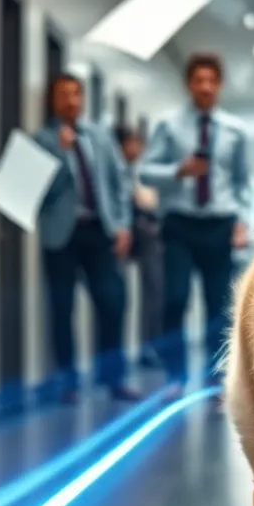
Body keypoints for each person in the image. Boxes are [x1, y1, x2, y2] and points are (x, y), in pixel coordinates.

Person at [139, 52, 252, 388]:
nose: (205, 87)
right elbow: (144, 172)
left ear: (218, 85)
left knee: (218, 309)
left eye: (211, 81)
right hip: (179, 224)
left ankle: (214, 382)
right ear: (189, 84)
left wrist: (242, 221)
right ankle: (175, 377)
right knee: (175, 297)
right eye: (198, 81)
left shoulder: (235, 130)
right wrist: (178, 170)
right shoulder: (168, 125)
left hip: (219, 224)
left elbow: (241, 181)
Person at [34, 74, 139, 404]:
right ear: (52, 101)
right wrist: (58, 155)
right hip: (60, 234)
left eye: (76, 94)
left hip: (99, 230)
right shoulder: (41, 140)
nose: (71, 101)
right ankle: (67, 381)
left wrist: (123, 224)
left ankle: (114, 378)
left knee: (112, 302)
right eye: (63, 95)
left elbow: (118, 181)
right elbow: (39, 191)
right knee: (61, 307)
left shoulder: (100, 136)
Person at [116, 126, 163, 368]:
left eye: (138, 143)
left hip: (146, 237)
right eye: (130, 143)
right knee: (117, 298)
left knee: (154, 293)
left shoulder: (141, 172)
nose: (135, 149)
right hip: (123, 237)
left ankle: (149, 347)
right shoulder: (116, 171)